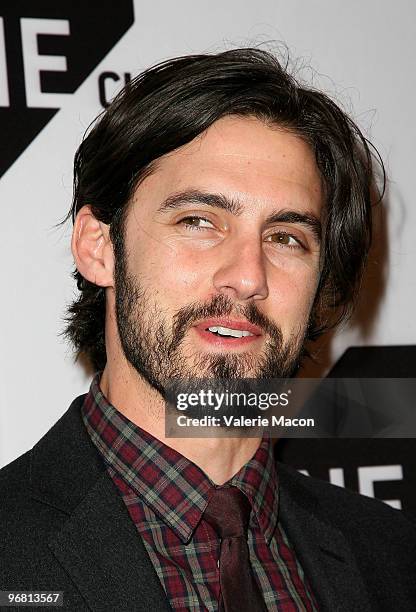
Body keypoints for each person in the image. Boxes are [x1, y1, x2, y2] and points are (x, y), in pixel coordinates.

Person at [0, 48, 415, 612]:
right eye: (198, 222)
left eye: (286, 237)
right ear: (99, 248)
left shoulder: (393, 557)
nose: (247, 277)